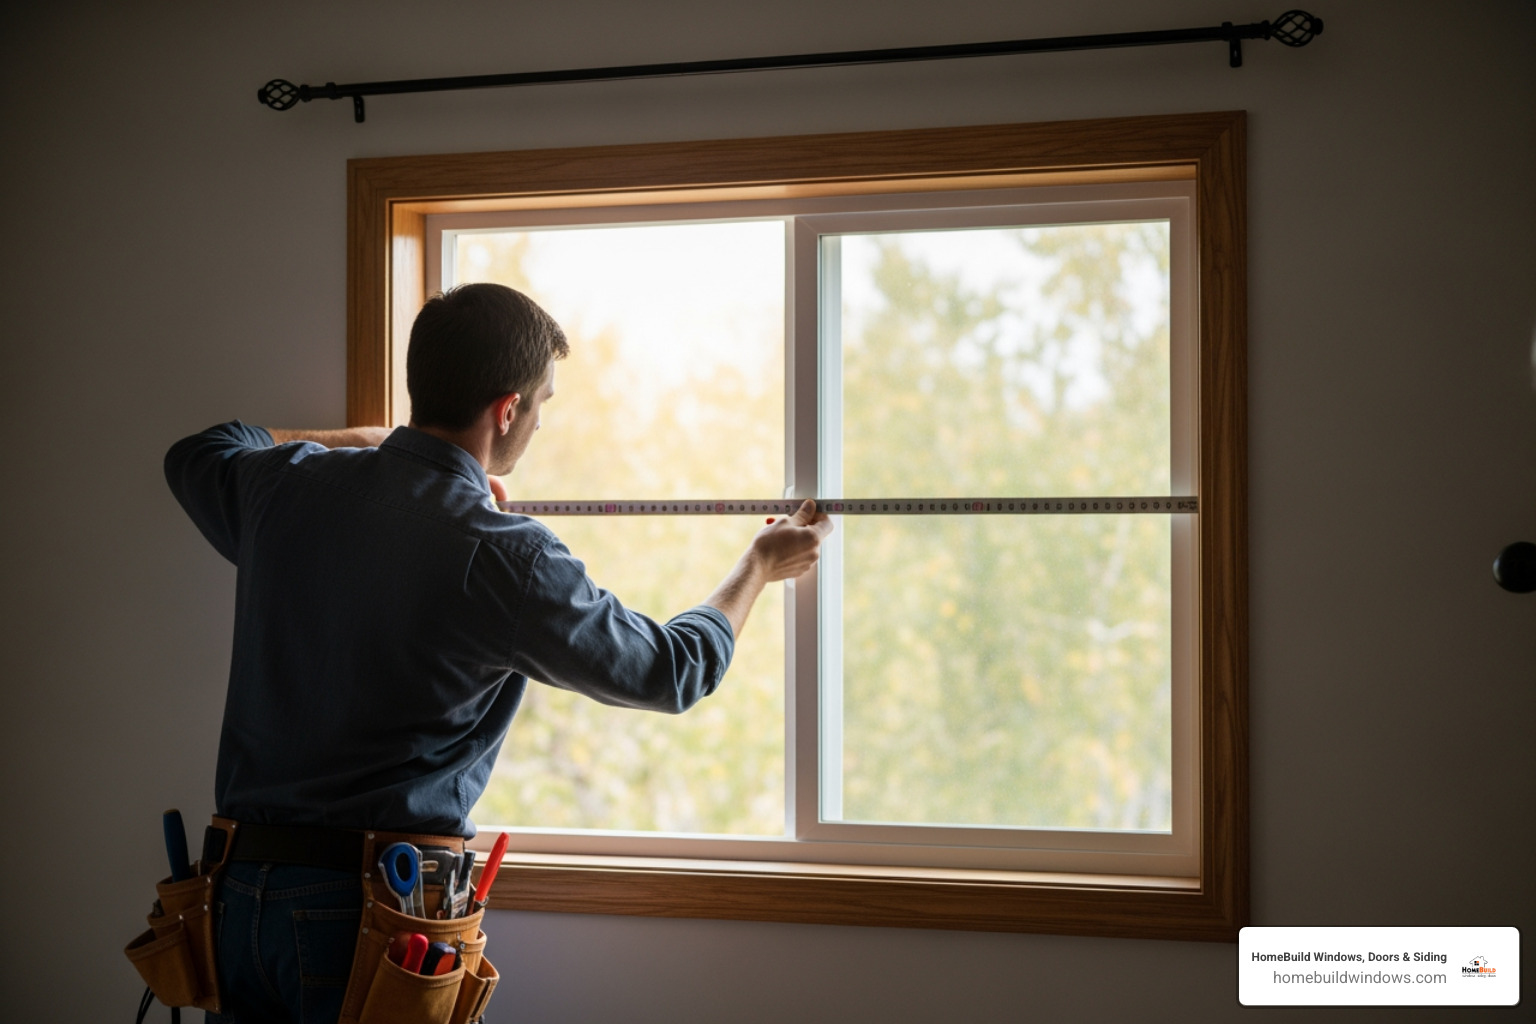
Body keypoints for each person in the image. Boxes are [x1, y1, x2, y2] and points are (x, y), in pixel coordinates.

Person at [164, 282, 832, 1024]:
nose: (540, 421)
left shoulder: (282, 489)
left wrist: (368, 444)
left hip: (233, 901)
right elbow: (671, 671)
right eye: (542, 405)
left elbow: (204, 449)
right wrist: (761, 565)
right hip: (364, 917)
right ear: (507, 409)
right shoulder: (504, 555)